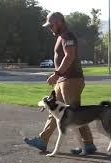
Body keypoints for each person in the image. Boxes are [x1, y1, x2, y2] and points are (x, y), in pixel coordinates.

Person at [24, 12, 97, 155]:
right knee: (54, 110)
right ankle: (42, 140)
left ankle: (88, 144)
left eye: (51, 25)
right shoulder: (61, 37)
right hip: (64, 80)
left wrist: (56, 74)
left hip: (71, 80)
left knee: (75, 113)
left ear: (58, 22)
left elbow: (70, 56)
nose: (50, 28)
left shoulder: (67, 36)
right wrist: (58, 77)